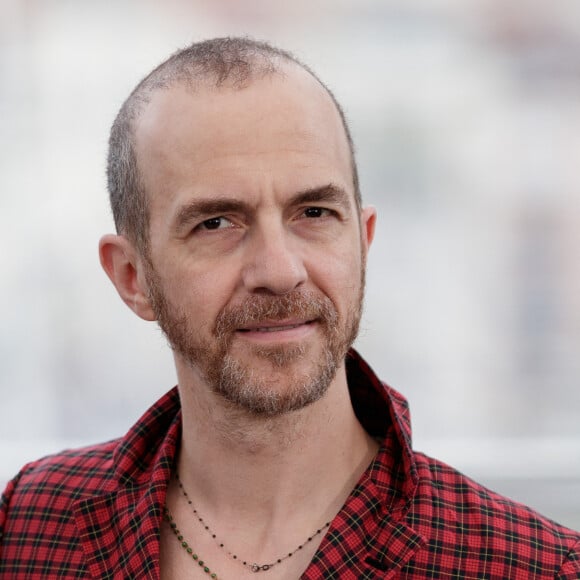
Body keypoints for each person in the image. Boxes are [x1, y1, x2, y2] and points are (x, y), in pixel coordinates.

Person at [0, 37, 578, 580]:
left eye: (315, 213)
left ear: (363, 242)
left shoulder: (537, 567)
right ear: (133, 278)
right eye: (216, 223)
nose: (280, 271)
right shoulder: (26, 528)